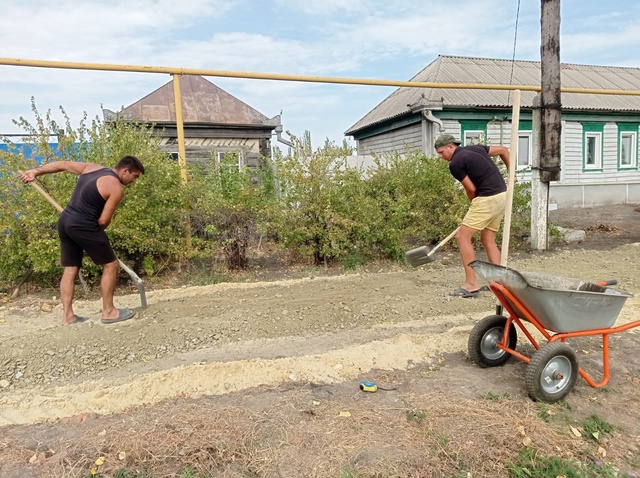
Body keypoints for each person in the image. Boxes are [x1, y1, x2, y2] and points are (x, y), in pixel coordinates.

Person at [19, 156, 145, 324]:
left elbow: (62, 165)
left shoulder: (92, 167)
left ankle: (68, 316)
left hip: (65, 220)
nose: (134, 181)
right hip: (83, 224)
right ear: (125, 171)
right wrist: (96, 234)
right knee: (111, 265)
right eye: (135, 176)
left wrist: (35, 171)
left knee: (70, 269)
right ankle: (109, 312)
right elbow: (103, 221)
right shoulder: (116, 188)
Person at [434, 134, 511, 298]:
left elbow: (471, 189)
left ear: (450, 146)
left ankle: (471, 285)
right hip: (503, 195)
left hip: (487, 198)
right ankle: (499, 282)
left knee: (462, 237)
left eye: (441, 152)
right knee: (488, 239)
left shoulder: (455, 163)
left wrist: (474, 204)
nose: (441, 157)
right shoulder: (476, 148)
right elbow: (504, 150)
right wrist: (512, 174)